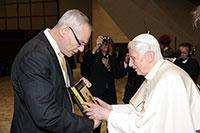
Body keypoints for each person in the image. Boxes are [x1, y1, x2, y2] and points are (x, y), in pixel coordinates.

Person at [84, 33, 200, 133]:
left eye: (133, 58)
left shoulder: (168, 80)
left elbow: (148, 128)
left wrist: (108, 115)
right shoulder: (156, 73)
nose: (130, 64)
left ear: (149, 56)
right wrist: (111, 108)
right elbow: (139, 110)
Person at [11, 9, 100, 132]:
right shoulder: (35, 56)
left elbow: (55, 89)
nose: (81, 49)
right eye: (80, 43)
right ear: (65, 31)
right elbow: (46, 115)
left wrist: (76, 89)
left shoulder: (60, 51)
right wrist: (89, 124)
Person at [81, 35, 126, 133]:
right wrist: (96, 47)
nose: (106, 46)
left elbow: (118, 74)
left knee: (111, 123)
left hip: (110, 95)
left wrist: (108, 66)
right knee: (96, 121)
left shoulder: (113, 59)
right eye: (104, 43)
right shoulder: (94, 57)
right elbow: (85, 64)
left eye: (108, 44)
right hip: (97, 94)